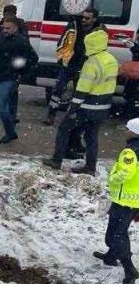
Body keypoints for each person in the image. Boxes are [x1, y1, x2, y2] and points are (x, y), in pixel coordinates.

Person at [44, 28, 117, 175]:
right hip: (103, 105)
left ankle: (57, 160)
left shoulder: (91, 63)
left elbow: (82, 90)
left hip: (86, 106)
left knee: (64, 128)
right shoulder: (111, 59)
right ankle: (90, 166)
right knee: (92, 136)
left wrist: (72, 109)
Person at [98, 118, 139, 284]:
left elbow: (125, 174)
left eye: (127, 129)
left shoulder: (130, 152)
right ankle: (110, 257)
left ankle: (130, 269)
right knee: (117, 231)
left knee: (116, 234)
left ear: (135, 132)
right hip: (134, 200)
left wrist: (112, 178)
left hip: (124, 200)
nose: (125, 131)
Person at [0, 19, 38, 143]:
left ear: (15, 28)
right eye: (3, 28)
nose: (4, 30)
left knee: (1, 108)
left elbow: (33, 58)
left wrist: (19, 72)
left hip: (8, 79)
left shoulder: (21, 42)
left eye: (8, 28)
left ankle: (10, 133)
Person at [45, 15, 82, 124]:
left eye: (87, 18)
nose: (85, 20)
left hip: (83, 65)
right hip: (68, 63)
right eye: (83, 18)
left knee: (79, 93)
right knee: (57, 91)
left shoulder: (96, 29)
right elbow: (62, 43)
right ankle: (51, 115)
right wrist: (62, 59)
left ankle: (73, 116)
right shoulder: (73, 26)